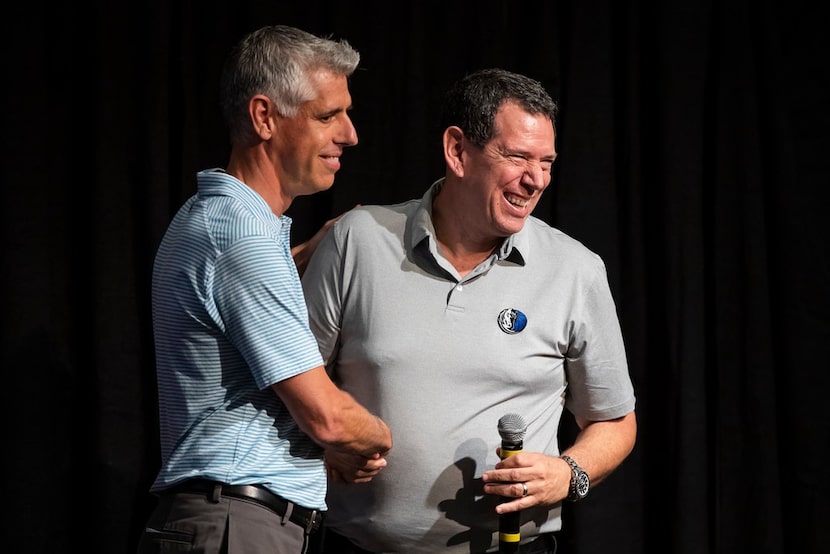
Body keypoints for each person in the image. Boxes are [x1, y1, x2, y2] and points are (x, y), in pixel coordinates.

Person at [301, 68, 637, 554]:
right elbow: (290, 383)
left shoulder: (575, 270)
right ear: (457, 150)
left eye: (547, 162)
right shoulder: (358, 239)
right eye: (518, 157)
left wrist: (570, 474)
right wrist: (325, 439)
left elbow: (615, 421)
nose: (536, 180)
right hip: (356, 546)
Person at [137, 25, 392, 554]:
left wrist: (303, 253)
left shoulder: (217, 219)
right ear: (264, 117)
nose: (350, 135)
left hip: (230, 520)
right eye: (328, 116)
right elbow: (326, 416)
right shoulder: (242, 239)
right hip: (238, 525)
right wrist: (376, 442)